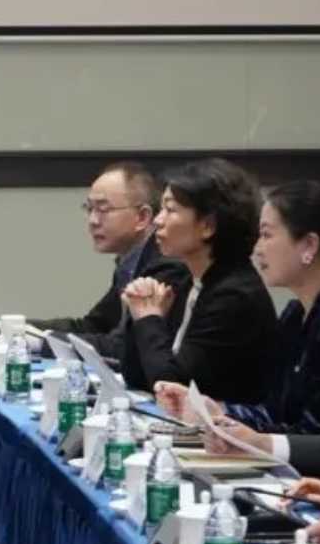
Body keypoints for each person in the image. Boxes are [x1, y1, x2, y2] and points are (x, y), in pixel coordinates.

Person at [170, 182, 320, 465]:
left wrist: (259, 443)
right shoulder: (295, 315)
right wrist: (218, 413)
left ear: (309, 245)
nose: (257, 249)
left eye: (266, 235)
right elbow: (275, 413)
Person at [118, 158, 277, 403]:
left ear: (208, 226)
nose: (158, 221)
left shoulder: (234, 297)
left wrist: (148, 319)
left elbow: (171, 390)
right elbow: (137, 377)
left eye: (170, 210)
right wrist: (138, 312)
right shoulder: (184, 280)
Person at [29, 162, 186, 358]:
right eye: (89, 208)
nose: (93, 221)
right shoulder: (129, 262)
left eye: (103, 209)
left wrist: (40, 343)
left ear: (142, 217)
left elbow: (121, 347)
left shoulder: (166, 266)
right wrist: (21, 327)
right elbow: (94, 325)